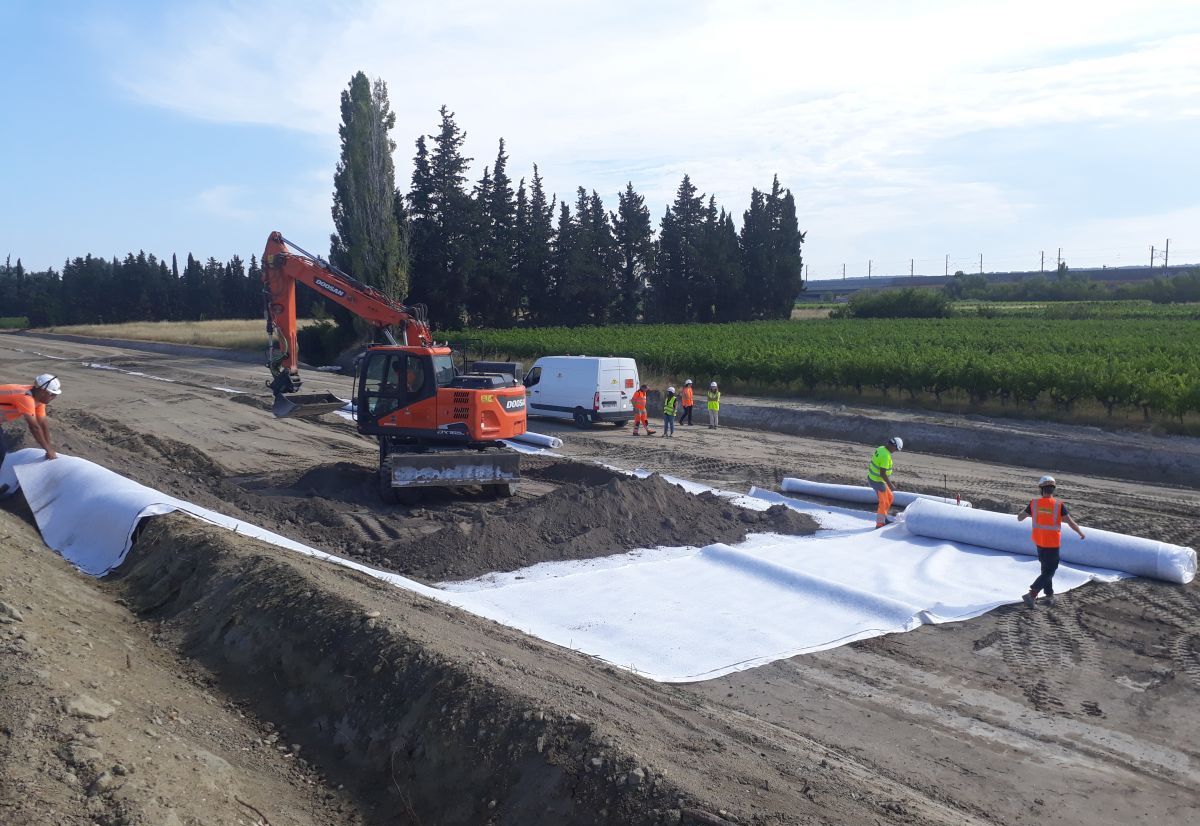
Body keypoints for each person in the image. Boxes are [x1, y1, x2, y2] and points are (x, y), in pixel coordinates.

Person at [1017, 475, 1085, 608]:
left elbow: (1020, 518)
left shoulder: (1034, 503)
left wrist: (1027, 512)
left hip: (1039, 543)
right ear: (1053, 489)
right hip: (1052, 544)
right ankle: (1032, 594)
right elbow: (1070, 522)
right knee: (1050, 571)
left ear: (1041, 489)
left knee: (1045, 570)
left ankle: (1049, 595)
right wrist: (1080, 532)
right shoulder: (1058, 506)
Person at [1, 373, 62, 466]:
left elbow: (43, 424)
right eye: (52, 394)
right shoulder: (25, 397)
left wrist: (49, 447)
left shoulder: (39, 401)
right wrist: (48, 450)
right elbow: (34, 427)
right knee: (1, 449)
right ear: (42, 391)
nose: (54, 397)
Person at [867, 436, 903, 528]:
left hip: (875, 478)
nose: (895, 451)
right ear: (893, 446)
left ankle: (884, 518)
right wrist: (891, 485)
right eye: (896, 449)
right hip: (877, 481)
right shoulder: (885, 456)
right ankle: (879, 524)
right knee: (883, 502)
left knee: (890, 497)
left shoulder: (881, 448)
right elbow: (883, 473)